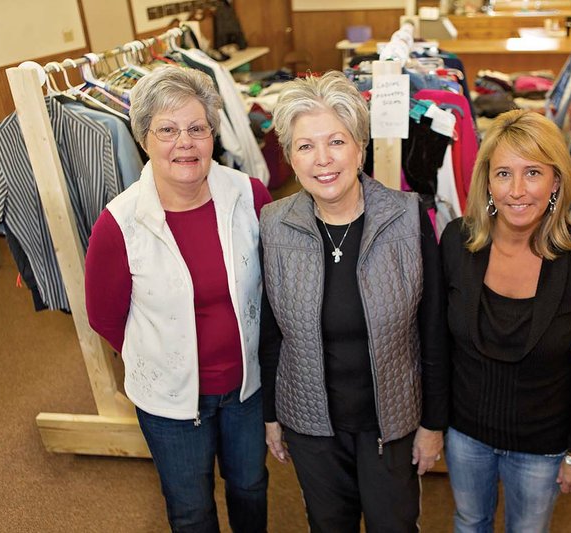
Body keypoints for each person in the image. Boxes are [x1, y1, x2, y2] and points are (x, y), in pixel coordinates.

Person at [259, 71, 449, 533]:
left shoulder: (407, 217)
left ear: (360, 147)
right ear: (290, 156)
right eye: (305, 146)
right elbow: (269, 332)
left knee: (395, 525)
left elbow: (434, 330)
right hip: (311, 424)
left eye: (336, 142)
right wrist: (271, 416)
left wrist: (433, 424)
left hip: (391, 423)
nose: (322, 160)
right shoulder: (273, 223)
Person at [84, 66, 271, 533]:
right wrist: (162, 358)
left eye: (196, 128)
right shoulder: (120, 223)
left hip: (247, 387)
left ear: (213, 134)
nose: (183, 142)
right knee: (191, 509)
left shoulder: (249, 195)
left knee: (251, 486)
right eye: (167, 130)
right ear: (145, 139)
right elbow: (105, 317)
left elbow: (277, 287)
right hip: (169, 402)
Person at [440, 109, 571, 533]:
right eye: (503, 174)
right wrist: (432, 425)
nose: (517, 190)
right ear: (487, 182)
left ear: (556, 181)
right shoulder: (457, 242)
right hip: (465, 434)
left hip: (543, 443)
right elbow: (436, 345)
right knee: (469, 521)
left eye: (532, 172)